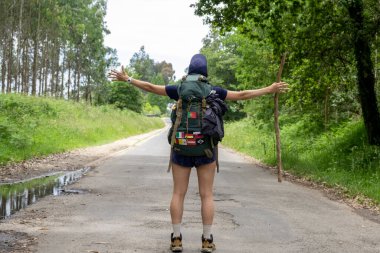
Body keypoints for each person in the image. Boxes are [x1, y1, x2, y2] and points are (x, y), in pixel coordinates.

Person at [109, 54, 289, 253]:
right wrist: (270, 89)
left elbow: (151, 87)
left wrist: (128, 79)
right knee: (207, 194)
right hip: (206, 148)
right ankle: (206, 240)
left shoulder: (179, 89)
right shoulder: (213, 90)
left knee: (178, 193)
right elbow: (242, 94)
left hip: (181, 147)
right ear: (205, 71)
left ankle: (176, 239)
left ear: (189, 70)